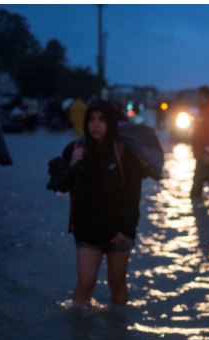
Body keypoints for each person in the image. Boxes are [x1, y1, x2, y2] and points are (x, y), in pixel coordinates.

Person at [54, 100, 143, 308]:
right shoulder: (75, 149)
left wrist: (127, 230)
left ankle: (120, 333)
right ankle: (79, 335)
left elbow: (133, 194)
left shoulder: (124, 152)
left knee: (117, 285)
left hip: (119, 232)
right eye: (92, 120)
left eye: (101, 120)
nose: (96, 125)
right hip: (87, 230)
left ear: (110, 123)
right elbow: (59, 187)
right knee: (85, 283)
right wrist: (73, 165)